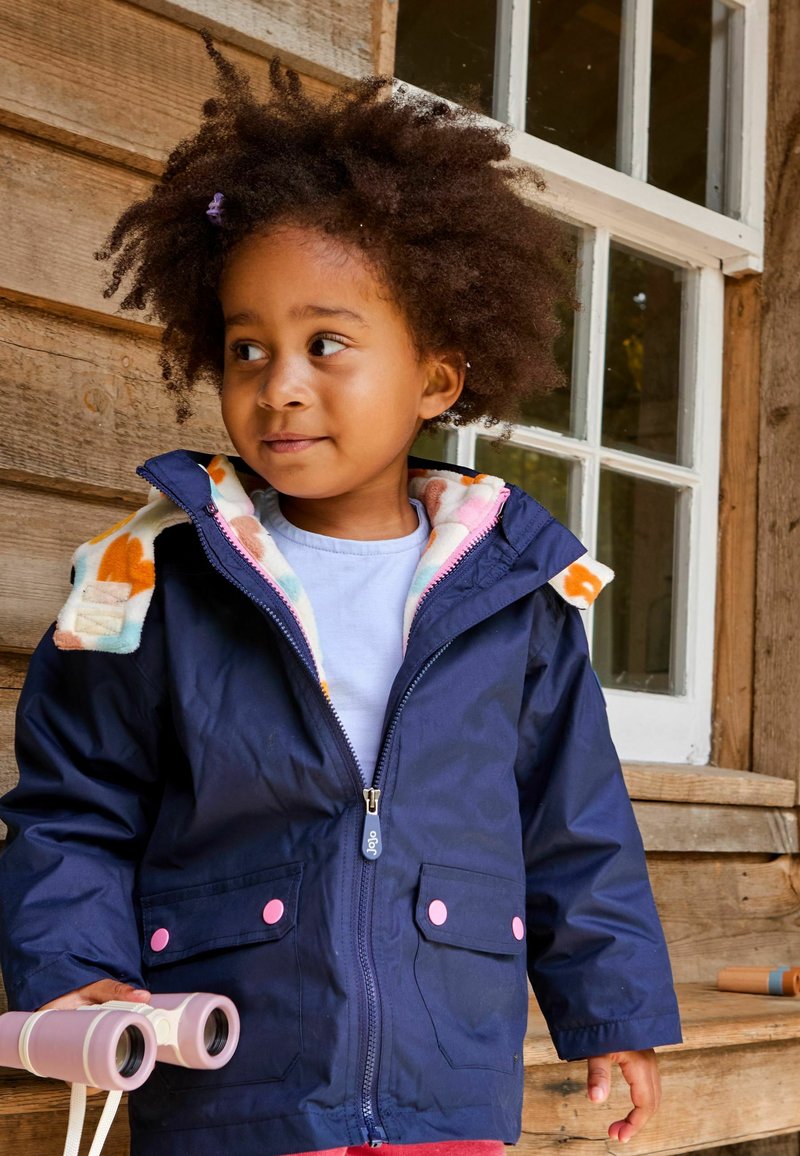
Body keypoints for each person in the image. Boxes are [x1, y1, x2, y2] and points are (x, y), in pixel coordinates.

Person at [0, 28, 681, 1156]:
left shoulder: (514, 593)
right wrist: (78, 976)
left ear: (436, 378)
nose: (281, 387)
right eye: (248, 350)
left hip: (445, 1075)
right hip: (229, 1076)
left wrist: (611, 1014)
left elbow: (574, 823)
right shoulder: (157, 578)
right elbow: (74, 803)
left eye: (326, 343)